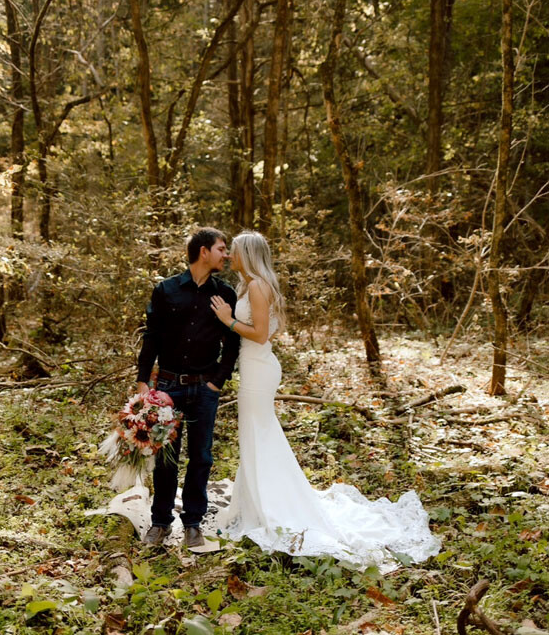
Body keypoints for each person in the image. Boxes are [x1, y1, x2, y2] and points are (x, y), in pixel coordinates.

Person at [210, 231, 440, 572]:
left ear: (249, 254)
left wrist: (228, 320)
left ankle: (270, 507)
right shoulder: (250, 286)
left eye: (235, 251)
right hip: (255, 366)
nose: (231, 256)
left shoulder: (257, 286)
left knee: (258, 435)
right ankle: (258, 502)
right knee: (258, 436)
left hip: (258, 369)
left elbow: (260, 334)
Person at [136, 228, 240, 548]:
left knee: (202, 457)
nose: (226, 255)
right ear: (203, 252)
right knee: (166, 457)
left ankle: (193, 523)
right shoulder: (166, 290)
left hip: (204, 389)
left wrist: (217, 381)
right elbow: (152, 336)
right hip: (168, 386)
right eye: (221, 248)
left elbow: (232, 342)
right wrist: (143, 381)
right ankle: (160, 522)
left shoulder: (225, 294)